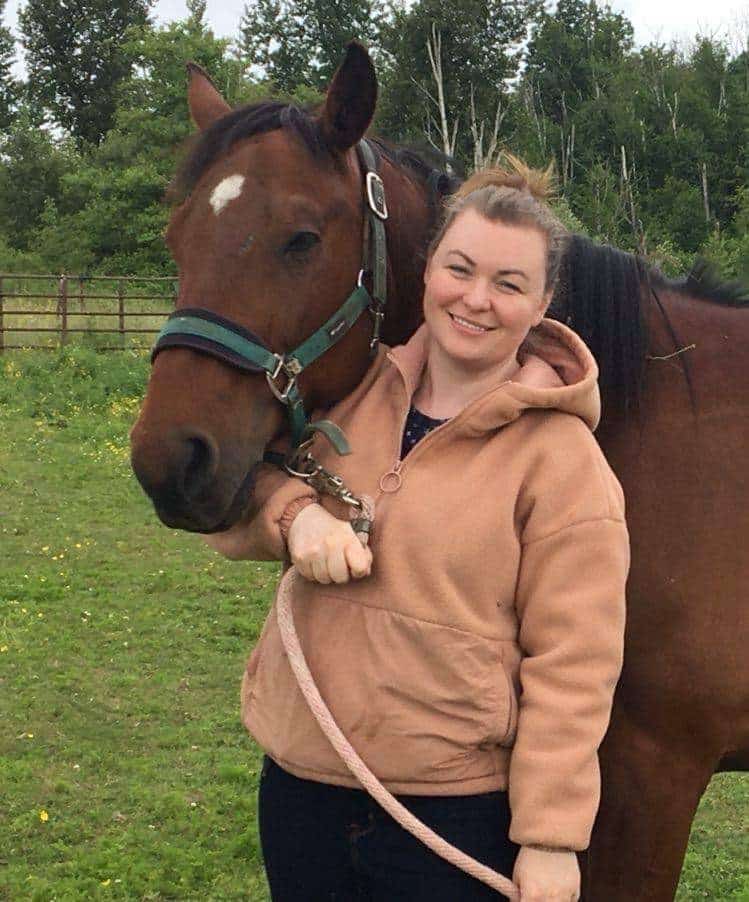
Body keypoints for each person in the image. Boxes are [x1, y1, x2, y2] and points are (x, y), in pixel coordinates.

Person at [205, 160, 629, 902]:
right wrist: (294, 516)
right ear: (427, 268)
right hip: (302, 788)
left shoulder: (564, 463)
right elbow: (227, 505)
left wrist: (550, 840)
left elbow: (575, 667)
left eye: (507, 283)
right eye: (459, 269)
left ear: (542, 304)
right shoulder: (349, 395)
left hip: (450, 813)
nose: (475, 299)